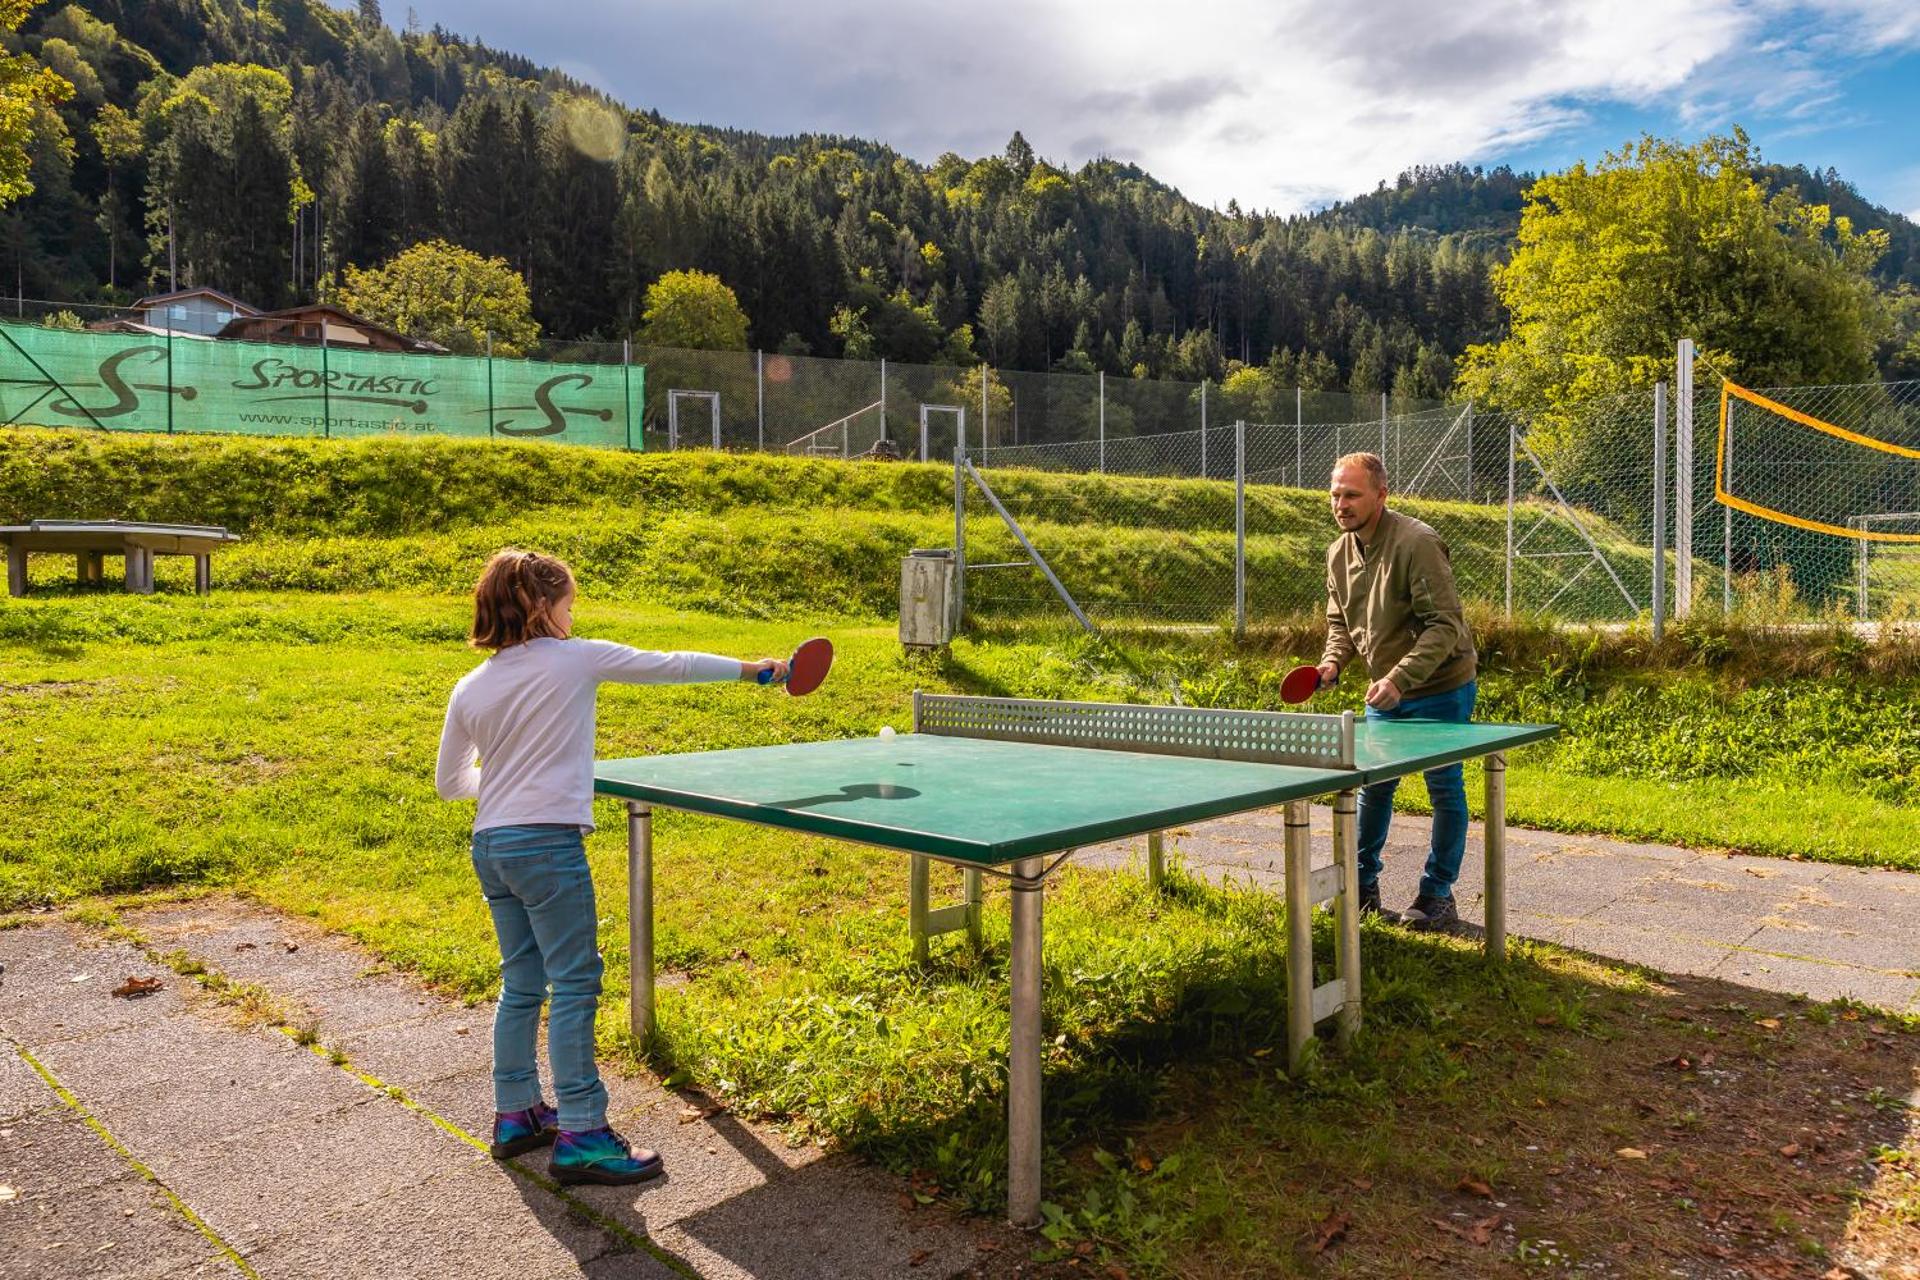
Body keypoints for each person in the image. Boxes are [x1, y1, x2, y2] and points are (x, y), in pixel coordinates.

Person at [436, 548, 789, 1185]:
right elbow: (672, 666)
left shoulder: (471, 685)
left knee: (522, 981)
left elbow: (451, 784)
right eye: (569, 604)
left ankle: (516, 1115)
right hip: (547, 847)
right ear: (543, 607)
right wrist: (754, 670)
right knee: (574, 984)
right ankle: (583, 1133)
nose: (574, 617)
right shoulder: (575, 658)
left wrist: (516, 770)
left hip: (491, 847)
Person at [1315, 452, 1477, 931]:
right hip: (1385, 690)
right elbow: (1340, 622)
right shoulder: (1337, 552)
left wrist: (1400, 678)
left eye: (1351, 494)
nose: (1340, 504)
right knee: (1373, 787)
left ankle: (1437, 896)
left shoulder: (1418, 542)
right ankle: (1362, 888)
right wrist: (1332, 661)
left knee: (1444, 788)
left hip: (1441, 687)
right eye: (1335, 494)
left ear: (1381, 495)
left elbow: (1444, 624)